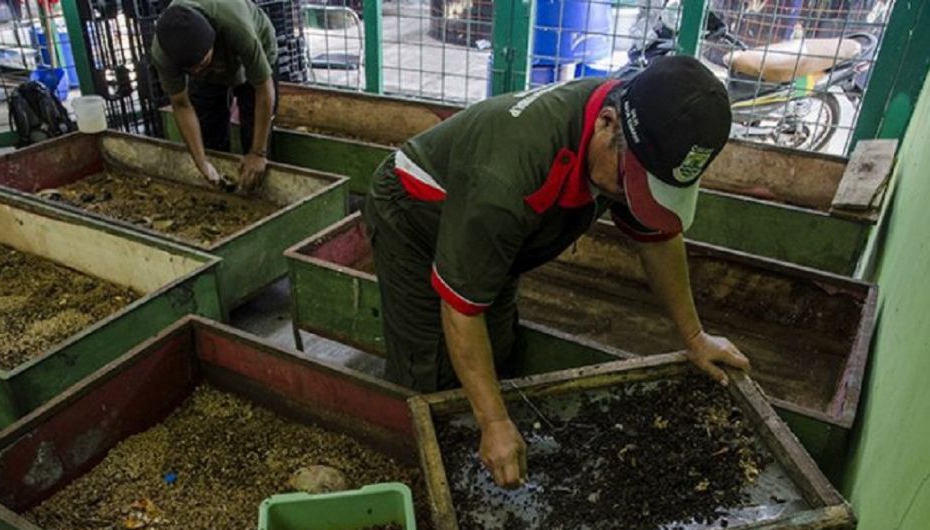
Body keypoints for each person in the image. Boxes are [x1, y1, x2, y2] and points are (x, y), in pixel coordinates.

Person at [363, 56, 752, 489]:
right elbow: (461, 309)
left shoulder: (643, 123)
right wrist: (493, 421)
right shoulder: (505, 178)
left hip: (495, 218)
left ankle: (488, 443)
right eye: (633, 186)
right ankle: (419, 478)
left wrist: (695, 338)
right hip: (414, 213)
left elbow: (657, 235)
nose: (634, 198)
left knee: (500, 343)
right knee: (430, 370)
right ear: (606, 125)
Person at [151, 0, 278, 189]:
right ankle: (223, 185)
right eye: (191, 70)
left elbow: (263, 88)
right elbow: (181, 104)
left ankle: (257, 185)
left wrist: (258, 152)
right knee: (209, 129)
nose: (198, 71)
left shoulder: (236, 26)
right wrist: (201, 162)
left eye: (202, 64)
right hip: (208, 68)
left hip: (256, 44)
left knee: (254, 134)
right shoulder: (163, 54)